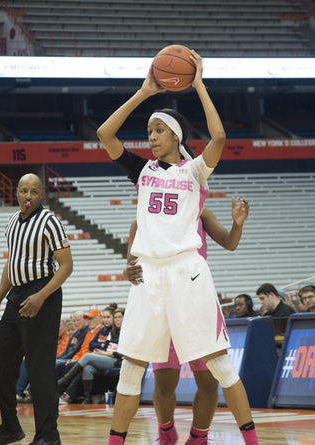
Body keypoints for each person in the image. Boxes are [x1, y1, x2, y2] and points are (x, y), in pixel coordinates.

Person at [96, 51, 260, 445]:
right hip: (149, 274)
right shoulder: (142, 171)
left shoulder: (194, 172)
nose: (150, 136)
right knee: (132, 371)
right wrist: (142, 92)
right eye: (148, 130)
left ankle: (249, 440)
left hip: (187, 271)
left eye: (157, 130)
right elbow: (105, 134)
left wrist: (199, 83)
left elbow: (219, 138)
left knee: (218, 365)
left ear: (175, 135)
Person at [123, 197, 249, 445]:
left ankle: (198, 437)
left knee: (209, 383)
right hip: (163, 307)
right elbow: (132, 267)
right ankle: (166, 432)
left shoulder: (200, 212)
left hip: (194, 302)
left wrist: (237, 225)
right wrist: (128, 271)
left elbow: (229, 243)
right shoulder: (142, 219)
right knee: (164, 386)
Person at [0, 173, 74, 445]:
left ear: (41, 194)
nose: (27, 196)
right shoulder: (12, 221)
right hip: (16, 296)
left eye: (33, 192)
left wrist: (42, 295)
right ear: (16, 192)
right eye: (23, 190)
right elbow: (12, 263)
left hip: (43, 295)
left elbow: (66, 266)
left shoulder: (50, 222)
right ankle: (10, 428)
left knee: (39, 369)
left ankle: (48, 436)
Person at [57, 308, 104, 404]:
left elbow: (96, 349)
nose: (89, 321)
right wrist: (73, 359)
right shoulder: (89, 333)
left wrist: (76, 360)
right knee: (70, 364)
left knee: (77, 367)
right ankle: (61, 392)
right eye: (88, 319)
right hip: (84, 359)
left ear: (99, 319)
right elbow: (81, 350)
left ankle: (66, 393)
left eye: (91, 319)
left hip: (96, 359)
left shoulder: (101, 331)